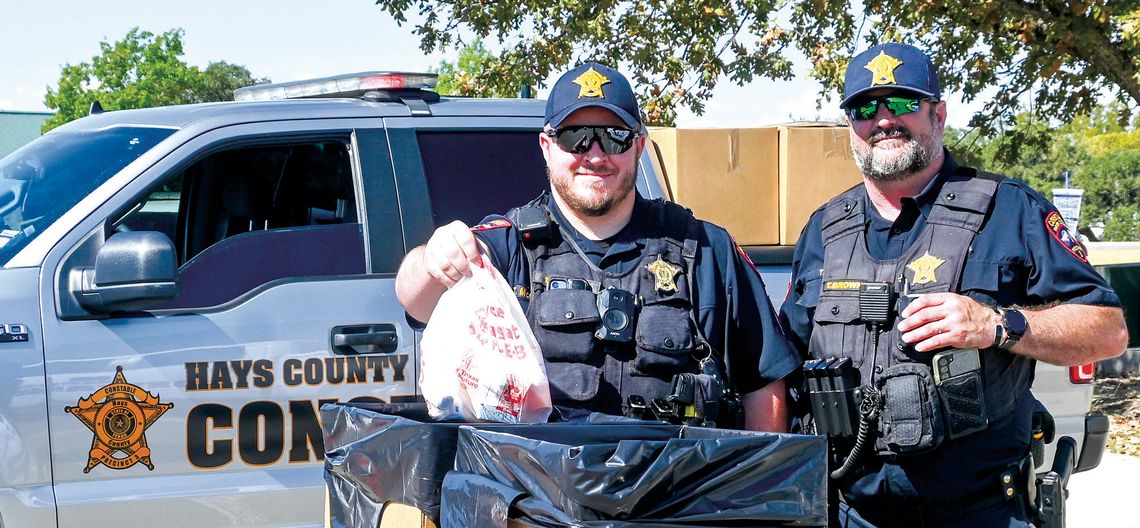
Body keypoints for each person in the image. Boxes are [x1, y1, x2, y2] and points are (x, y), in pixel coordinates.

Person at [780, 42, 1128, 527]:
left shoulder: (1011, 211)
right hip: (850, 513)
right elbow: (782, 366)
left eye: (902, 103)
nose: (883, 121)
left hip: (982, 513)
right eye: (864, 108)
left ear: (938, 113)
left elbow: (1108, 329)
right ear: (850, 127)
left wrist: (998, 324)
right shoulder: (822, 230)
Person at [396, 62, 798, 431]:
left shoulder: (707, 251)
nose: (595, 154)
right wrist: (432, 258)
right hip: (542, 502)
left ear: (639, 147)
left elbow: (763, 385)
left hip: (676, 501)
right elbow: (414, 299)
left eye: (614, 137)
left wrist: (758, 498)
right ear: (546, 146)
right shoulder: (506, 246)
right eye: (576, 137)